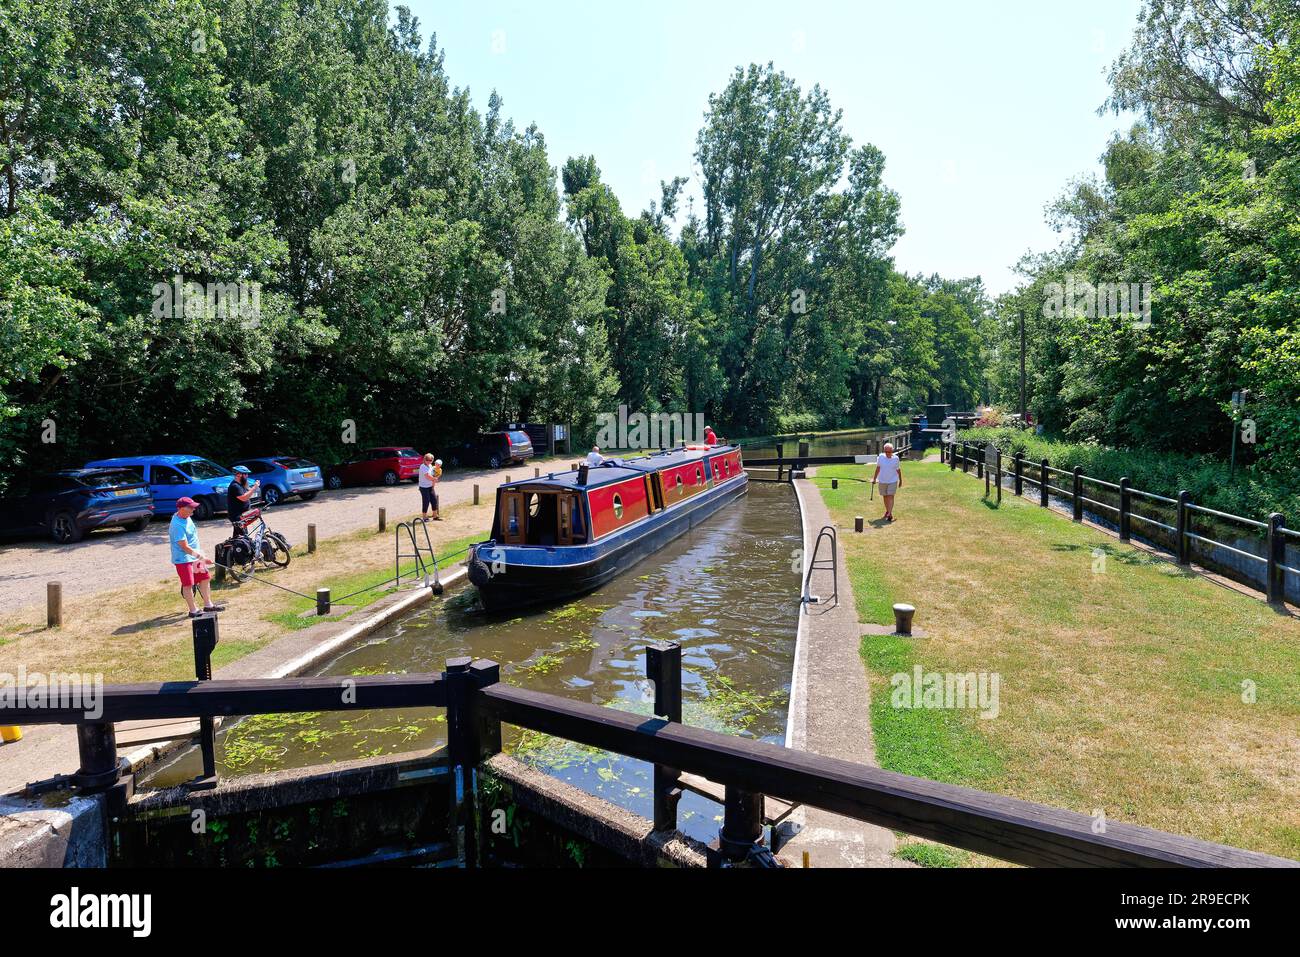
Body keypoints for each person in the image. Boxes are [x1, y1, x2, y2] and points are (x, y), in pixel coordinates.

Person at [171, 497, 224, 618]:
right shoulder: (176, 525)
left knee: (205, 578)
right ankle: (193, 610)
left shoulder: (187, 517)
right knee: (188, 584)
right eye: (190, 507)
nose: (193, 509)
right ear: (180, 509)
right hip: (183, 559)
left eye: (193, 507)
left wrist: (200, 555)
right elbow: (184, 547)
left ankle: (208, 604)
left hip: (196, 555)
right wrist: (201, 557)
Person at [872, 442, 903, 523]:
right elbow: (878, 468)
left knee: (890, 496)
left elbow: (898, 470)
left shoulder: (896, 458)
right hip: (882, 480)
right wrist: (874, 479)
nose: (887, 453)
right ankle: (888, 511)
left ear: (892, 451)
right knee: (885, 496)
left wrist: (900, 480)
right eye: (886, 452)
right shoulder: (881, 457)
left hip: (893, 480)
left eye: (889, 452)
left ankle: (889, 513)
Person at [227, 465, 260, 535]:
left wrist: (249, 484)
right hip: (237, 516)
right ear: (238, 474)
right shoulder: (235, 486)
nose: (247, 476)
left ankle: (234, 545)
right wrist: (255, 487)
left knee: (239, 535)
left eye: (247, 474)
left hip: (242, 515)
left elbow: (248, 491)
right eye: (245, 474)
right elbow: (244, 498)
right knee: (242, 536)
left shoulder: (240, 484)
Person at [418, 453, 442, 520]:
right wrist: (435, 479)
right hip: (423, 487)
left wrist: (436, 476)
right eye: (427, 460)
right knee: (426, 501)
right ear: (424, 459)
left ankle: (435, 516)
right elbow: (427, 476)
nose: (429, 461)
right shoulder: (422, 466)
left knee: (434, 500)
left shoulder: (430, 465)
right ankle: (424, 517)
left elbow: (433, 474)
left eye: (431, 460)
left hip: (430, 486)